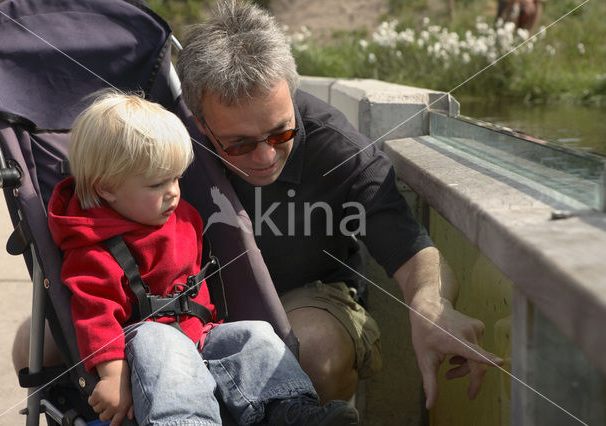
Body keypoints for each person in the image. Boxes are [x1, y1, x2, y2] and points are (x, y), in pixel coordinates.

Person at [176, 0, 503, 409]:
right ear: (200, 123)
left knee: (312, 351)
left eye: (281, 133)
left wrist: (430, 307)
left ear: (291, 94)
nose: (264, 158)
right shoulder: (169, 142)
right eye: (239, 144)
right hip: (196, 302)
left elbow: (411, 248)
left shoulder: (339, 150)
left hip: (307, 299)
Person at [47, 91, 359, 425]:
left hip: (199, 335)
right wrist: (112, 374)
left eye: (177, 178)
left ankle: (287, 410)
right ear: (106, 188)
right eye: (157, 184)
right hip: (147, 353)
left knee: (254, 335)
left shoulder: (181, 216)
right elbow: (95, 316)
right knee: (159, 339)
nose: (173, 192)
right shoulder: (95, 248)